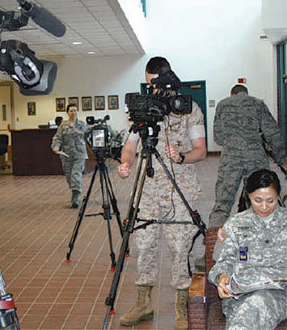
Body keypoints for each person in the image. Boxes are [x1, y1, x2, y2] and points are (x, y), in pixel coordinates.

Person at [116, 57, 207, 329]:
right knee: (142, 246)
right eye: (148, 84)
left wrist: (181, 156)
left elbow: (201, 151)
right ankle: (143, 302)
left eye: (155, 84)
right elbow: (130, 146)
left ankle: (181, 309)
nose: (152, 90)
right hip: (149, 189)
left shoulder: (189, 109)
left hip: (180, 189)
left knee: (180, 248)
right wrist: (126, 163)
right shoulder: (141, 110)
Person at [208, 169, 287, 330]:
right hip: (239, 296)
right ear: (248, 196)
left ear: (278, 195)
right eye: (257, 200)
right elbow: (222, 263)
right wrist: (222, 277)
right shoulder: (235, 224)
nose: (264, 207)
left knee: (255, 307)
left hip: (278, 295)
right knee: (247, 314)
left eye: (270, 201)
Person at [209, 84, 286, 228]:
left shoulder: (222, 105)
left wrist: (232, 140)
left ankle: (212, 243)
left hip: (230, 158)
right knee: (259, 200)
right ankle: (263, 240)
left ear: (232, 94)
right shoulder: (258, 103)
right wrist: (280, 157)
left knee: (223, 203)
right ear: (247, 93)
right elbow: (273, 133)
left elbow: (218, 138)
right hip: (256, 157)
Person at [51, 104, 88, 208]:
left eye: (75, 110)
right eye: (71, 111)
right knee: (69, 177)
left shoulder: (81, 124)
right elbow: (58, 138)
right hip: (66, 154)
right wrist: (56, 147)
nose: (73, 113)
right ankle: (74, 191)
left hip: (79, 154)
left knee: (76, 175)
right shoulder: (63, 125)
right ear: (67, 113)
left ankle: (75, 197)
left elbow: (85, 135)